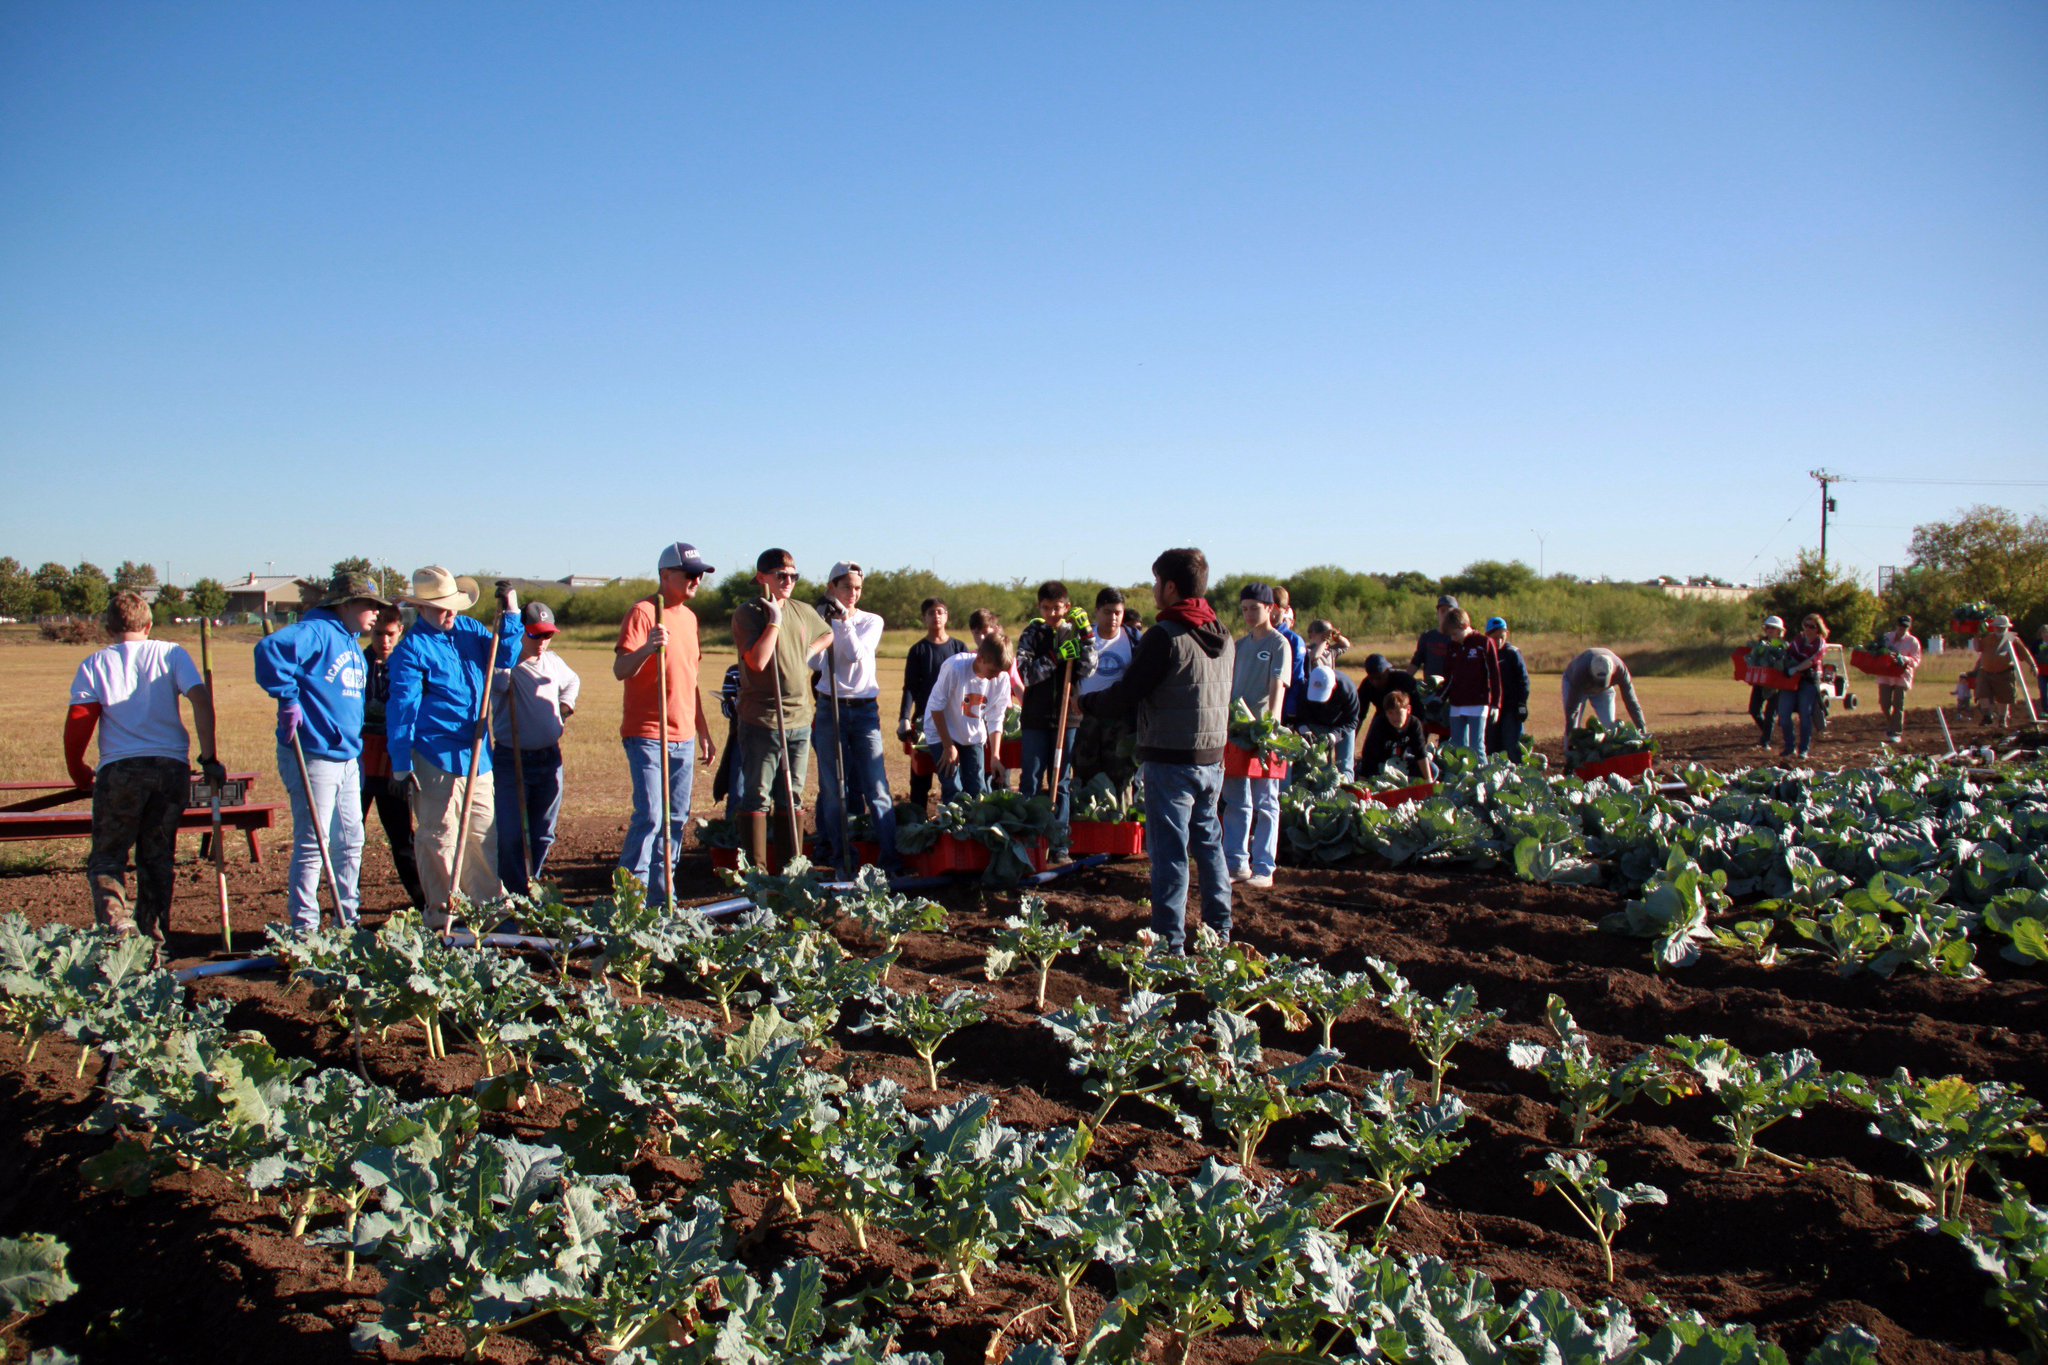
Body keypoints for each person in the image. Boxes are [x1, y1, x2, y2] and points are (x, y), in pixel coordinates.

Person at [1079, 547, 1235, 954]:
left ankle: (1170, 944)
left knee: (1169, 855)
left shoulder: (1164, 636)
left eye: (1155, 582)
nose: (1153, 590)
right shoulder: (1224, 634)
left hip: (1171, 760)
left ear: (1170, 587)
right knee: (1209, 845)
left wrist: (1087, 704)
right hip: (1212, 758)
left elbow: (1128, 693)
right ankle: (1220, 932)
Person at [64, 591, 223, 959]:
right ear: (149, 625)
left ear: (108, 627)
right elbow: (201, 700)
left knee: (108, 856)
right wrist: (209, 756)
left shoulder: (95, 663)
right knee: (157, 857)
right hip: (171, 769)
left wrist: (78, 769)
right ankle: (154, 943)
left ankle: (118, 929)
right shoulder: (172, 654)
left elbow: (80, 719)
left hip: (120, 770)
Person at [386, 569, 523, 924]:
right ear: (421, 608)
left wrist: (511, 612)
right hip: (435, 757)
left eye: (452, 606)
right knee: (439, 836)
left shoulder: (470, 630)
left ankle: (488, 910)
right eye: (439, 608)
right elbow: (402, 709)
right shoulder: (412, 650)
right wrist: (401, 762)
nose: (448, 614)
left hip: (478, 755)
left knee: (483, 833)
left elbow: (505, 656)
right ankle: (443, 913)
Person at [254, 571, 387, 930]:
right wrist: (287, 699)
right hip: (314, 754)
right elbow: (269, 651)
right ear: (345, 605)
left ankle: (348, 920)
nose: (376, 613)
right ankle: (305, 928)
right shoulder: (317, 631)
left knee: (351, 841)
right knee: (314, 842)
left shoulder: (351, 644)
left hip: (347, 758)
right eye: (369, 605)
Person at [614, 542, 719, 904]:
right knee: (650, 817)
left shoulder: (690, 619)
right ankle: (630, 902)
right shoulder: (643, 613)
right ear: (665, 575)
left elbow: (690, 680)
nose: (697, 581)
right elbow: (620, 669)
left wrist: (702, 730)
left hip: (684, 736)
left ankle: (662, 901)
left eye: (700, 575)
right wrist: (647, 647)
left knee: (675, 820)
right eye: (690, 574)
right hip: (647, 733)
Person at [732, 548, 832, 868]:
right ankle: (757, 874)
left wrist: (807, 652)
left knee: (792, 795)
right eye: (781, 576)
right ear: (762, 578)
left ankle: (791, 872)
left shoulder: (803, 610)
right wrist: (774, 621)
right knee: (758, 796)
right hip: (763, 720)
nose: (789, 581)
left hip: (799, 719)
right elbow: (758, 661)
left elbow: (827, 633)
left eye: (793, 576)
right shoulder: (749, 613)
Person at [811, 561, 899, 873]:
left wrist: (843, 622)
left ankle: (890, 860)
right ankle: (841, 859)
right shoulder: (819, 619)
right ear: (831, 587)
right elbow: (815, 662)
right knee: (833, 789)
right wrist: (826, 624)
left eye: (858, 588)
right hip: (829, 708)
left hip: (864, 711)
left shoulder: (871, 621)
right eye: (847, 586)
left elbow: (855, 654)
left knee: (876, 787)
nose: (853, 593)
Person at [491, 601, 580, 896]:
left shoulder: (553, 662)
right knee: (511, 836)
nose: (542, 641)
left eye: (547, 635)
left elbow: (573, 681)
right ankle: (514, 896)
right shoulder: (505, 667)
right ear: (520, 633)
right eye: (535, 635)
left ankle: (532, 886)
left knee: (543, 835)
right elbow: (497, 685)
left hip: (549, 758)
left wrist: (565, 707)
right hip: (511, 759)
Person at [1222, 583, 1290, 890]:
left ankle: (1264, 867)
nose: (1249, 614)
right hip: (1238, 730)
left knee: (1266, 801)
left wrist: (1271, 725)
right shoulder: (1240, 645)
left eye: (1255, 608)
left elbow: (1278, 685)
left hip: (1264, 733)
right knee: (1236, 800)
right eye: (1245, 609)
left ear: (1270, 609)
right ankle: (1236, 863)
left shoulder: (1279, 644)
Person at [361, 606, 426, 909]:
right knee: (349, 838)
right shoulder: (358, 662)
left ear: (400, 631)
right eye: (378, 634)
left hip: (392, 765)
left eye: (390, 634)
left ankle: (424, 902)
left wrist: (402, 766)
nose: (384, 641)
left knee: (402, 839)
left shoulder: (408, 663)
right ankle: (346, 907)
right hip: (360, 763)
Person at [1015, 581, 1096, 822]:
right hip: (1035, 718)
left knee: (1061, 780)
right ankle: (1030, 832)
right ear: (1039, 607)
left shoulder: (1074, 634)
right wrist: (1056, 656)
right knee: (1030, 778)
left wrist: (1087, 637)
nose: (1052, 613)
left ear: (1067, 607)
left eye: (1057, 608)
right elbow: (1026, 675)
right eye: (1046, 608)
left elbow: (1089, 669)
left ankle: (1060, 834)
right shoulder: (1031, 634)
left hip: (1067, 718)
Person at [898, 597, 968, 813]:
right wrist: (904, 719)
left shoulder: (959, 648)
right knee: (920, 777)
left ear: (947, 616)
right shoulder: (918, 650)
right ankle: (917, 821)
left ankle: (953, 821)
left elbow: (969, 685)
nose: (936, 616)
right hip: (924, 722)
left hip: (955, 722)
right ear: (924, 618)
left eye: (940, 612)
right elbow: (910, 687)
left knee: (952, 776)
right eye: (931, 613)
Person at [924, 635, 1014, 800]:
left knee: (978, 789)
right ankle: (952, 816)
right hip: (941, 730)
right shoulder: (955, 668)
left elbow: (995, 717)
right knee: (953, 787)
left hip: (972, 733)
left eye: (1000, 672)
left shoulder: (1001, 678)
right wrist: (948, 746)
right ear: (980, 659)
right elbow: (936, 708)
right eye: (993, 671)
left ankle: (973, 817)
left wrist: (995, 756)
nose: (996, 676)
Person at [1072, 587, 1142, 799]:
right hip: (1086, 716)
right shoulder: (1083, 638)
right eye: (1108, 612)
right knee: (1085, 772)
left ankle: (1121, 817)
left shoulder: (1133, 639)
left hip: (1121, 719)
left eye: (1118, 613)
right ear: (1097, 611)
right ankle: (1084, 816)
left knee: (1121, 775)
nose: (1113, 618)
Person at [1294, 620, 1362, 778]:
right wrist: (1304, 729)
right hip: (1317, 712)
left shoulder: (1346, 687)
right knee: (1319, 763)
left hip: (1338, 714)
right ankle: (1320, 787)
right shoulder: (1308, 651)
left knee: (1344, 765)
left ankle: (1346, 784)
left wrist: (1335, 637)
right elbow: (1314, 657)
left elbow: (1352, 721)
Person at [1439, 609, 1502, 756]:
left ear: (1465, 626)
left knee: (1476, 747)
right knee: (1457, 748)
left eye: (1455, 634)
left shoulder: (1484, 643)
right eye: (1450, 635)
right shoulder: (1452, 646)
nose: (1453, 638)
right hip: (1457, 703)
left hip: (1478, 703)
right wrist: (1439, 698)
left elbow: (1494, 675)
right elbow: (1449, 677)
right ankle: (1462, 772)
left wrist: (1496, 704)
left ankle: (1482, 771)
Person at [1975, 614, 2041, 729]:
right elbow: (1978, 648)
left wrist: (2033, 665)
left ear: (2006, 627)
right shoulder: (1988, 638)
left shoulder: (2012, 639)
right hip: (1986, 671)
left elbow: (2025, 654)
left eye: (2001, 627)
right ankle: (1987, 716)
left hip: (2004, 672)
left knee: (2004, 697)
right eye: (1997, 627)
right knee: (1982, 693)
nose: (1998, 629)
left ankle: (2002, 719)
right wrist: (1975, 635)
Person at [1357, 687, 1437, 783]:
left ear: (1408, 709)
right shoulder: (1380, 724)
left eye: (1398, 712)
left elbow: (1420, 754)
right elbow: (1369, 753)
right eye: (1390, 713)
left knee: (1433, 770)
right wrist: (1362, 779)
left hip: (1402, 761)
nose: (1395, 717)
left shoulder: (1414, 724)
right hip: (1381, 764)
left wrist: (1428, 780)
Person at [1777, 614, 1829, 758]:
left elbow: (1811, 661)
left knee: (1805, 713)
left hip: (1808, 679)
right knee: (1784, 713)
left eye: (1812, 626)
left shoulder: (1820, 643)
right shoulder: (1798, 639)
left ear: (1818, 628)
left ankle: (1804, 749)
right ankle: (1789, 747)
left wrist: (1795, 669)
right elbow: (1789, 653)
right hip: (1792, 679)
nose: (1808, 629)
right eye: (1806, 625)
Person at [1561, 647, 1647, 733]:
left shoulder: (1620, 670)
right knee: (1574, 728)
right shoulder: (1580, 672)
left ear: (1611, 673)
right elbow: (1573, 710)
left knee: (1610, 729)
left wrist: (1642, 731)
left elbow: (1631, 703)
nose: (1598, 687)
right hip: (1577, 686)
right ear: (1590, 672)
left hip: (1605, 691)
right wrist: (1570, 736)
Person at [1485, 617, 1531, 759]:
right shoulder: (1484, 654)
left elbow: (1523, 681)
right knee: (1491, 745)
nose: (1499, 641)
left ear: (1507, 634)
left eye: (1502, 637)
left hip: (1511, 708)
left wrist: (1522, 704)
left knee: (1512, 745)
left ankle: (1516, 770)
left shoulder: (1512, 653)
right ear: (1487, 636)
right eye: (1495, 637)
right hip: (1492, 708)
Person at [1875, 614, 1923, 744]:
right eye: (1901, 626)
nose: (1902, 629)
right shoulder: (1887, 637)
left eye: (1905, 627)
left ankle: (1896, 732)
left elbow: (1916, 660)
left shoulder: (1912, 642)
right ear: (1897, 625)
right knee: (1884, 704)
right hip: (1886, 674)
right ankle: (1891, 725)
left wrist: (1904, 659)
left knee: (1898, 704)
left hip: (1902, 675)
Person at [1270, 586, 1310, 725]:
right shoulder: (1256, 637)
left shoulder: (1293, 640)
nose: (1272, 613)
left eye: (1277, 608)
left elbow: (1297, 678)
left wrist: (1291, 710)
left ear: (1286, 610)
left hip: (1284, 705)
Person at [1746, 616, 1788, 748]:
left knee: (1770, 714)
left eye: (1773, 628)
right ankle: (1767, 734)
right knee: (1754, 710)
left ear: (1779, 631)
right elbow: (1753, 659)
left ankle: (1765, 741)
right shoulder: (1761, 644)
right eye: (1767, 627)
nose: (1769, 630)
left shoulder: (1783, 646)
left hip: (1776, 685)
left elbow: (1783, 664)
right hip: (1760, 681)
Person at [1410, 595, 1458, 680]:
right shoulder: (1427, 637)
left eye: (1449, 612)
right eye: (1442, 611)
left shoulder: (1459, 639)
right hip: (1431, 686)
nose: (1445, 615)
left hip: (1454, 686)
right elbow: (1416, 662)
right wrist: (1403, 681)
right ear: (1437, 613)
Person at [1359, 653, 1420, 718]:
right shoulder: (1366, 685)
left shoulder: (1404, 680)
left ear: (1387, 671)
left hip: (1407, 716)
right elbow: (1360, 713)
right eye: (1371, 678)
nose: (1375, 682)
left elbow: (1418, 707)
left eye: (1379, 678)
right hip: (1383, 716)